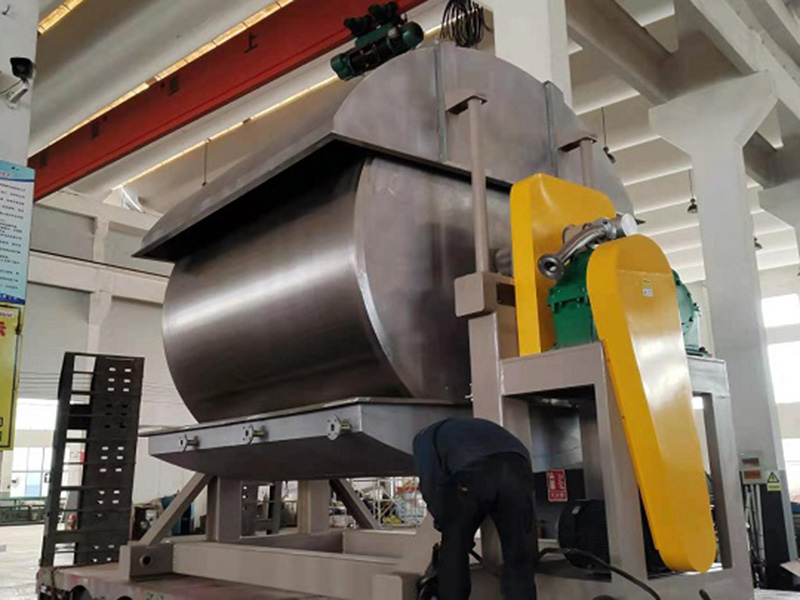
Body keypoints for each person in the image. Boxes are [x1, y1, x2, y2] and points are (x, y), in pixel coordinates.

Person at [413, 417, 537, 600]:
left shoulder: (422, 439)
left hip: (473, 471)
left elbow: (431, 483)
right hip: (518, 470)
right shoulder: (470, 429)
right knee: (518, 556)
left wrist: (446, 525)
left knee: (454, 552)